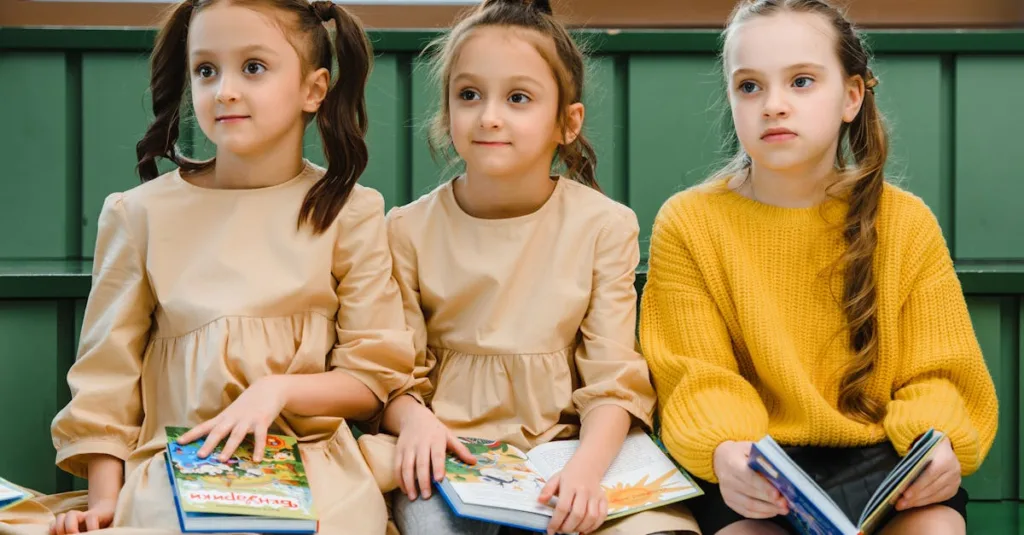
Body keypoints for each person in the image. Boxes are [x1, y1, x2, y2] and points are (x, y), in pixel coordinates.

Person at [39, 1, 415, 533]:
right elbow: (107, 381)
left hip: (311, 468)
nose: (225, 90)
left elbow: (372, 376)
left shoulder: (351, 212)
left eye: (253, 67)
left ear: (314, 89)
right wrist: (105, 499)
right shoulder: (139, 214)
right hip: (180, 467)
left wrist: (276, 391)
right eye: (206, 70)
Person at [640, 1, 999, 534]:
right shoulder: (690, 222)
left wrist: (938, 442)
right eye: (749, 86)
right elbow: (696, 375)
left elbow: (941, 371)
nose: (773, 105)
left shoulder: (905, 221)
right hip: (757, 468)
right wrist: (725, 453)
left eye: (802, 82)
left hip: (888, 469)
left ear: (851, 96)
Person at [372, 1, 698, 534]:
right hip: (449, 454)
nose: (489, 116)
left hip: (573, 449)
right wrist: (416, 423)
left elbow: (613, 381)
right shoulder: (406, 229)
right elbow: (392, 375)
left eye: (518, 98)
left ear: (567, 122)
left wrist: (585, 472)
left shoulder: (604, 226)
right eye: (468, 95)